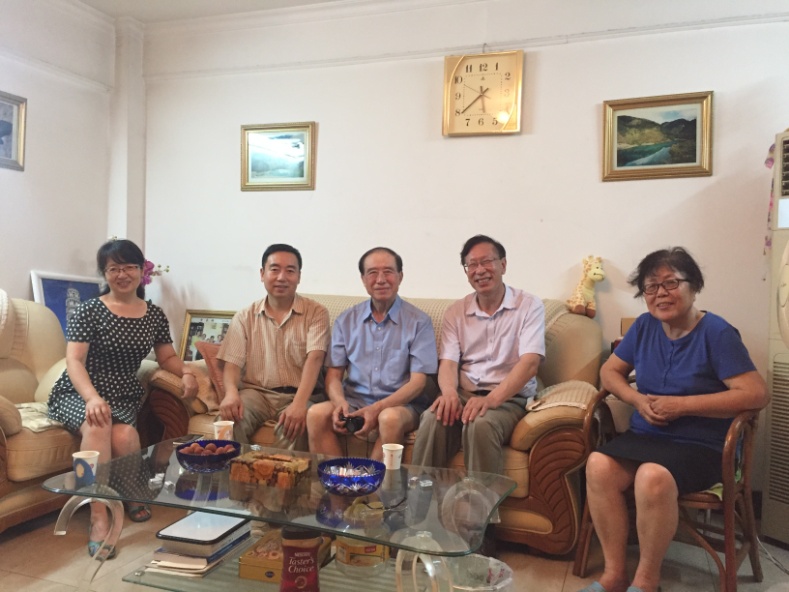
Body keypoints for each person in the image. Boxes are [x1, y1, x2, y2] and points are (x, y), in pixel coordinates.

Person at [578, 247, 769, 592]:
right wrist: (636, 400)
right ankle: (614, 574)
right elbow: (610, 372)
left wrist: (682, 406)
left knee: (652, 476)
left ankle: (646, 582)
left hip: (703, 444)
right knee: (598, 465)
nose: (660, 294)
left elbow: (756, 393)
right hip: (647, 436)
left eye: (670, 283)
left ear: (693, 286)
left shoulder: (717, 333)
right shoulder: (644, 327)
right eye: (651, 287)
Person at [48, 239, 199, 558]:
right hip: (79, 391)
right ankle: (99, 515)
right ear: (104, 273)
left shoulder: (153, 314)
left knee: (126, 436)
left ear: (141, 271)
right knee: (98, 425)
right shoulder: (90, 310)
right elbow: (74, 360)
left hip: (121, 395)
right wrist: (91, 398)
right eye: (113, 268)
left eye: (129, 266)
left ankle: (130, 492)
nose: (122, 274)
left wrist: (186, 372)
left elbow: (167, 356)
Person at [412, 234, 545, 475]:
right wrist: (449, 393)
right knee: (433, 418)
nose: (480, 270)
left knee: (480, 424)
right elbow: (448, 363)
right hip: (465, 394)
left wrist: (491, 400)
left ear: (503, 265)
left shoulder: (529, 305)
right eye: (472, 265)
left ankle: (480, 500)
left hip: (508, 399)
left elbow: (530, 364)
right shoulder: (456, 311)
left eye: (487, 262)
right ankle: (419, 497)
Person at [306, 247, 438, 462]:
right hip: (354, 400)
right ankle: (337, 480)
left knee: (389, 418)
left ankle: (371, 483)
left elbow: (418, 383)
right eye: (373, 273)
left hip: (401, 405)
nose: (381, 279)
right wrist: (340, 403)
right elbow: (334, 375)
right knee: (316, 414)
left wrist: (377, 408)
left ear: (400, 276)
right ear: (363, 279)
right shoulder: (346, 320)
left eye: (388, 272)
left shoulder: (419, 321)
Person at [217, 244, 329, 448]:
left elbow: (315, 359)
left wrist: (299, 404)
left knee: (298, 426)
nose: (281, 277)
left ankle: (278, 470)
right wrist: (231, 393)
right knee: (227, 423)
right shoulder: (244, 316)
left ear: (299, 276)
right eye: (274, 269)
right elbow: (232, 365)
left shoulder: (316, 312)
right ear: (262, 274)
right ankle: (236, 469)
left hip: (300, 394)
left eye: (290, 271)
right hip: (256, 394)